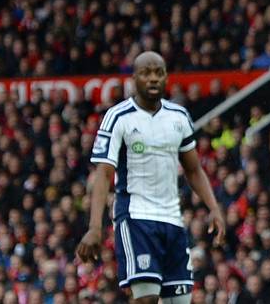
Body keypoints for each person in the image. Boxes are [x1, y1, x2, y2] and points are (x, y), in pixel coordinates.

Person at [76, 51, 227, 304]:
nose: (153, 78)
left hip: (172, 220)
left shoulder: (179, 117)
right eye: (146, 73)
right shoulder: (118, 117)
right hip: (136, 218)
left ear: (166, 77)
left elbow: (193, 169)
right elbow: (103, 174)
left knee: (179, 301)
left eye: (159, 72)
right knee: (146, 299)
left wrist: (214, 208)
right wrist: (95, 227)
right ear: (134, 78)